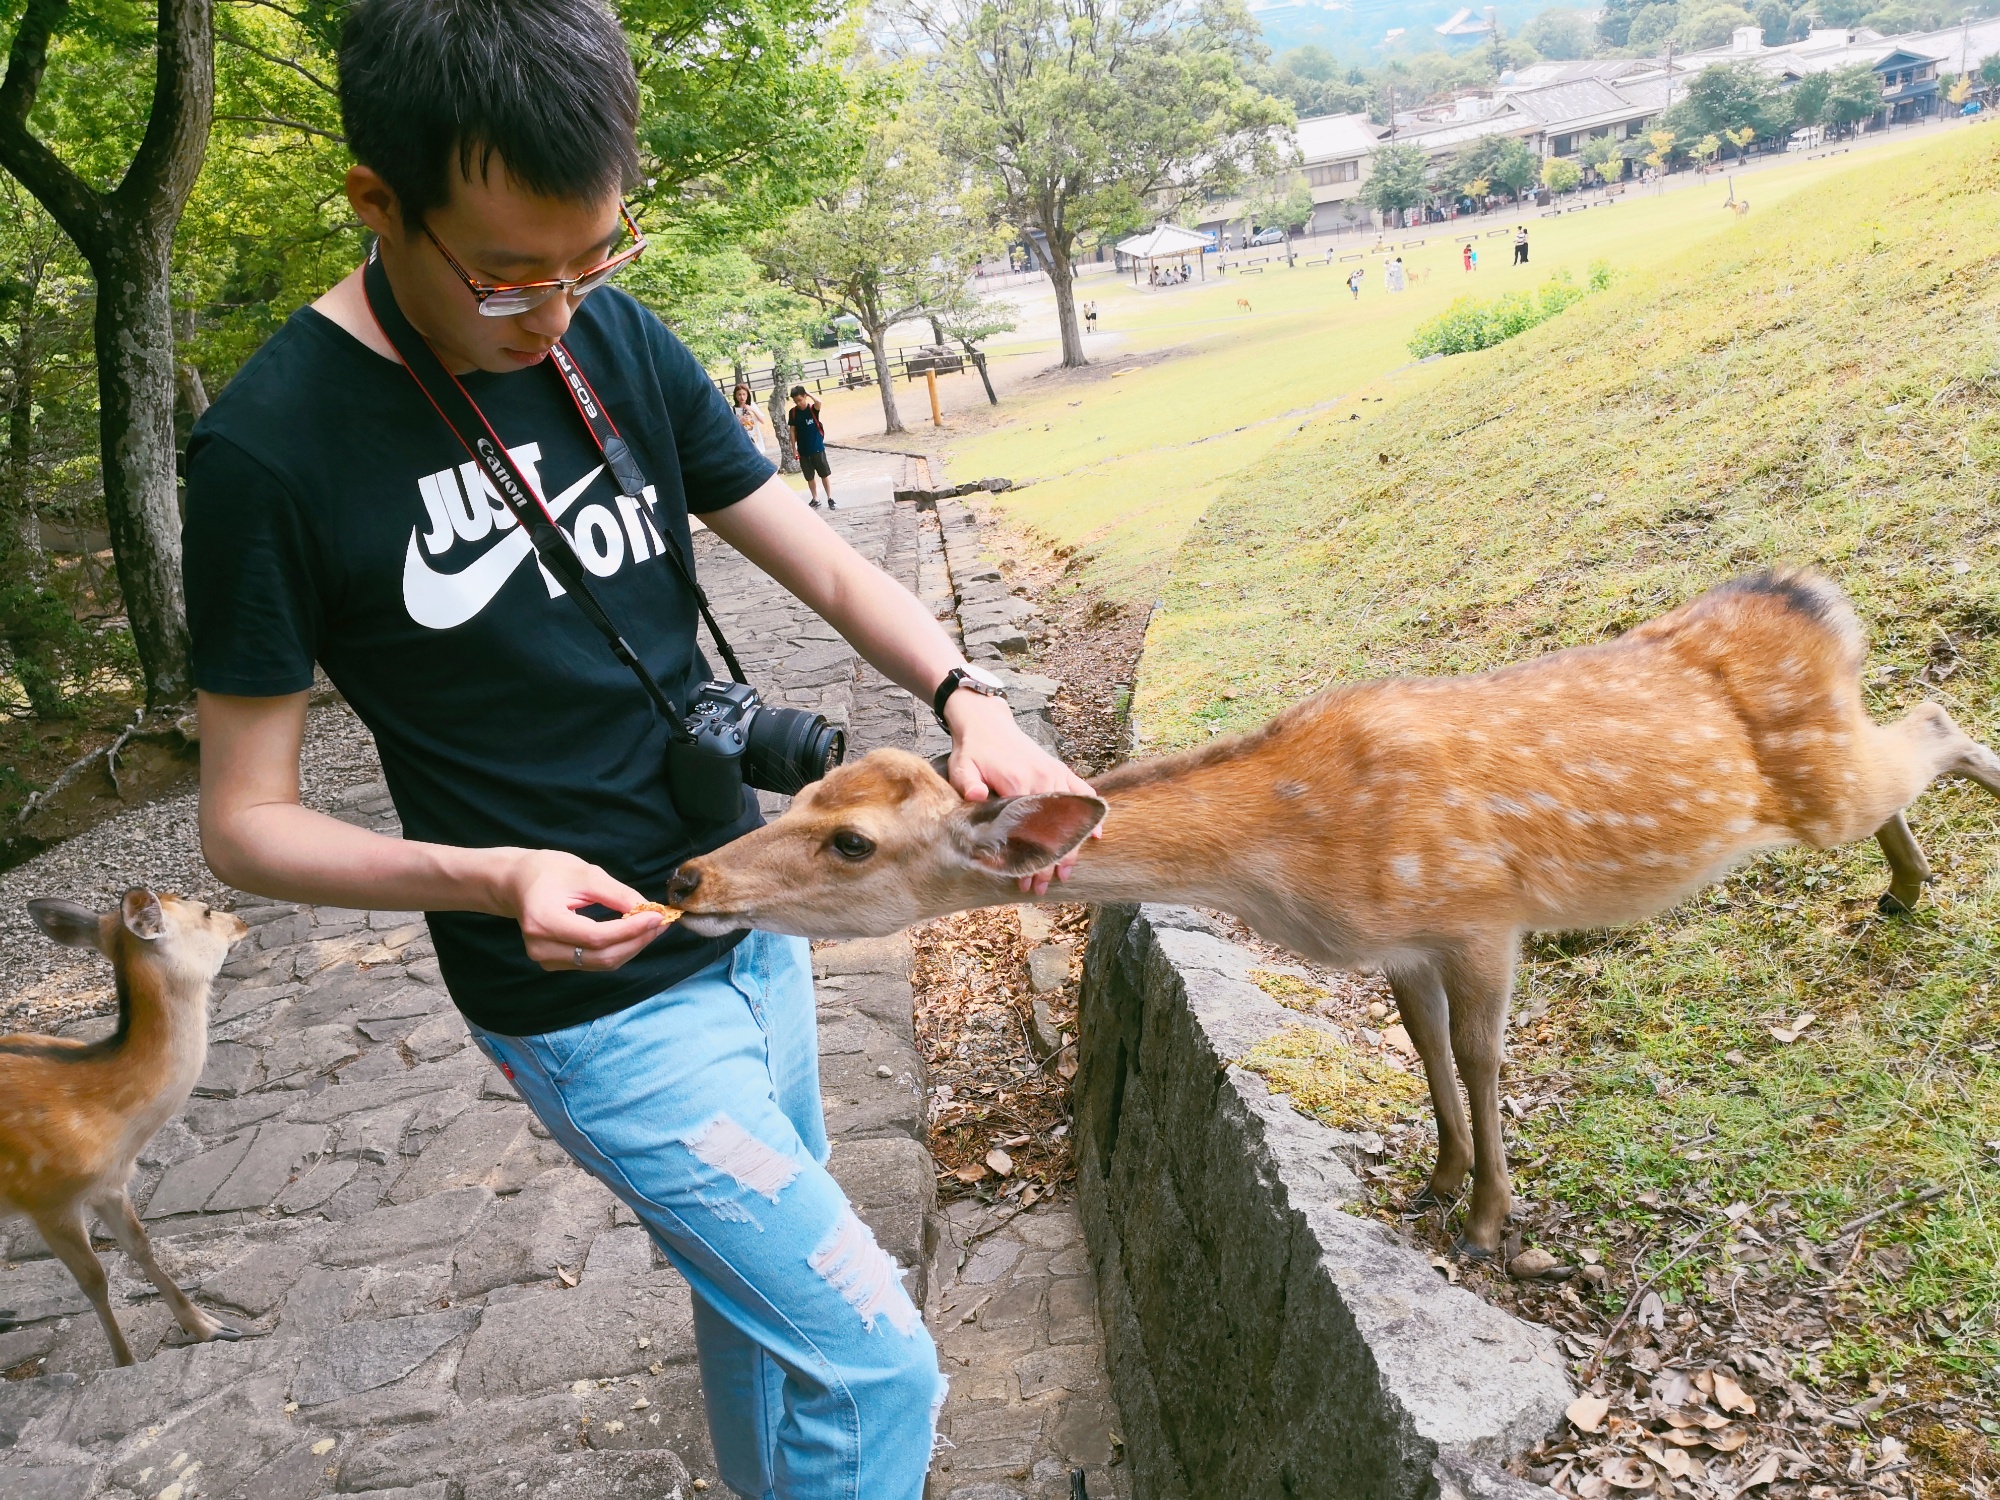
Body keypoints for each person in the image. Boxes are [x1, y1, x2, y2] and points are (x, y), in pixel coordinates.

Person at [180, 3, 1097, 1496]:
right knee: (875, 1358)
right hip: (596, 1012)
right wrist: (495, 877)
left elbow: (822, 560)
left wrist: (966, 696)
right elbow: (245, 823)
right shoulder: (270, 455)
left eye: (592, 260)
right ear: (374, 202)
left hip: (751, 917)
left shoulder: (613, 336)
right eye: (506, 277)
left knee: (762, 1324)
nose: (552, 315)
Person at [787, 386, 834, 509]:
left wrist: (808, 392)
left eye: (800, 399)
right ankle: (815, 498)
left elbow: (819, 402)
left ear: (804, 397)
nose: (798, 403)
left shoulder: (813, 409)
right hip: (803, 450)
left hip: (817, 447)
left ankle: (830, 498)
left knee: (824, 474)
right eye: (795, 401)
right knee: (809, 477)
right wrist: (794, 448)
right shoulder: (793, 413)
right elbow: (792, 431)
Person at [731, 382, 770, 457]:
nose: (742, 397)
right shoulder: (733, 410)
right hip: (743, 440)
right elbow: (731, 427)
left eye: (744, 394)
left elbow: (762, 421)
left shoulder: (752, 405)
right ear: (735, 396)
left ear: (747, 395)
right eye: (739, 394)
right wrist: (739, 421)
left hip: (755, 438)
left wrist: (752, 410)